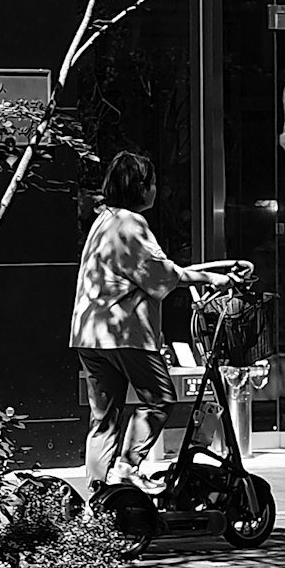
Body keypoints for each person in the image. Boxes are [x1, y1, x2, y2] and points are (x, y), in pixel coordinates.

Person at [74, 150, 189, 500]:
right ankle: (126, 466)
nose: (156, 189)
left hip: (88, 332)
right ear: (141, 187)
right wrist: (213, 278)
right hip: (123, 333)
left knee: (104, 419)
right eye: (152, 183)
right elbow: (161, 275)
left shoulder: (103, 220)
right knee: (160, 400)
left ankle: (99, 497)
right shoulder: (131, 223)